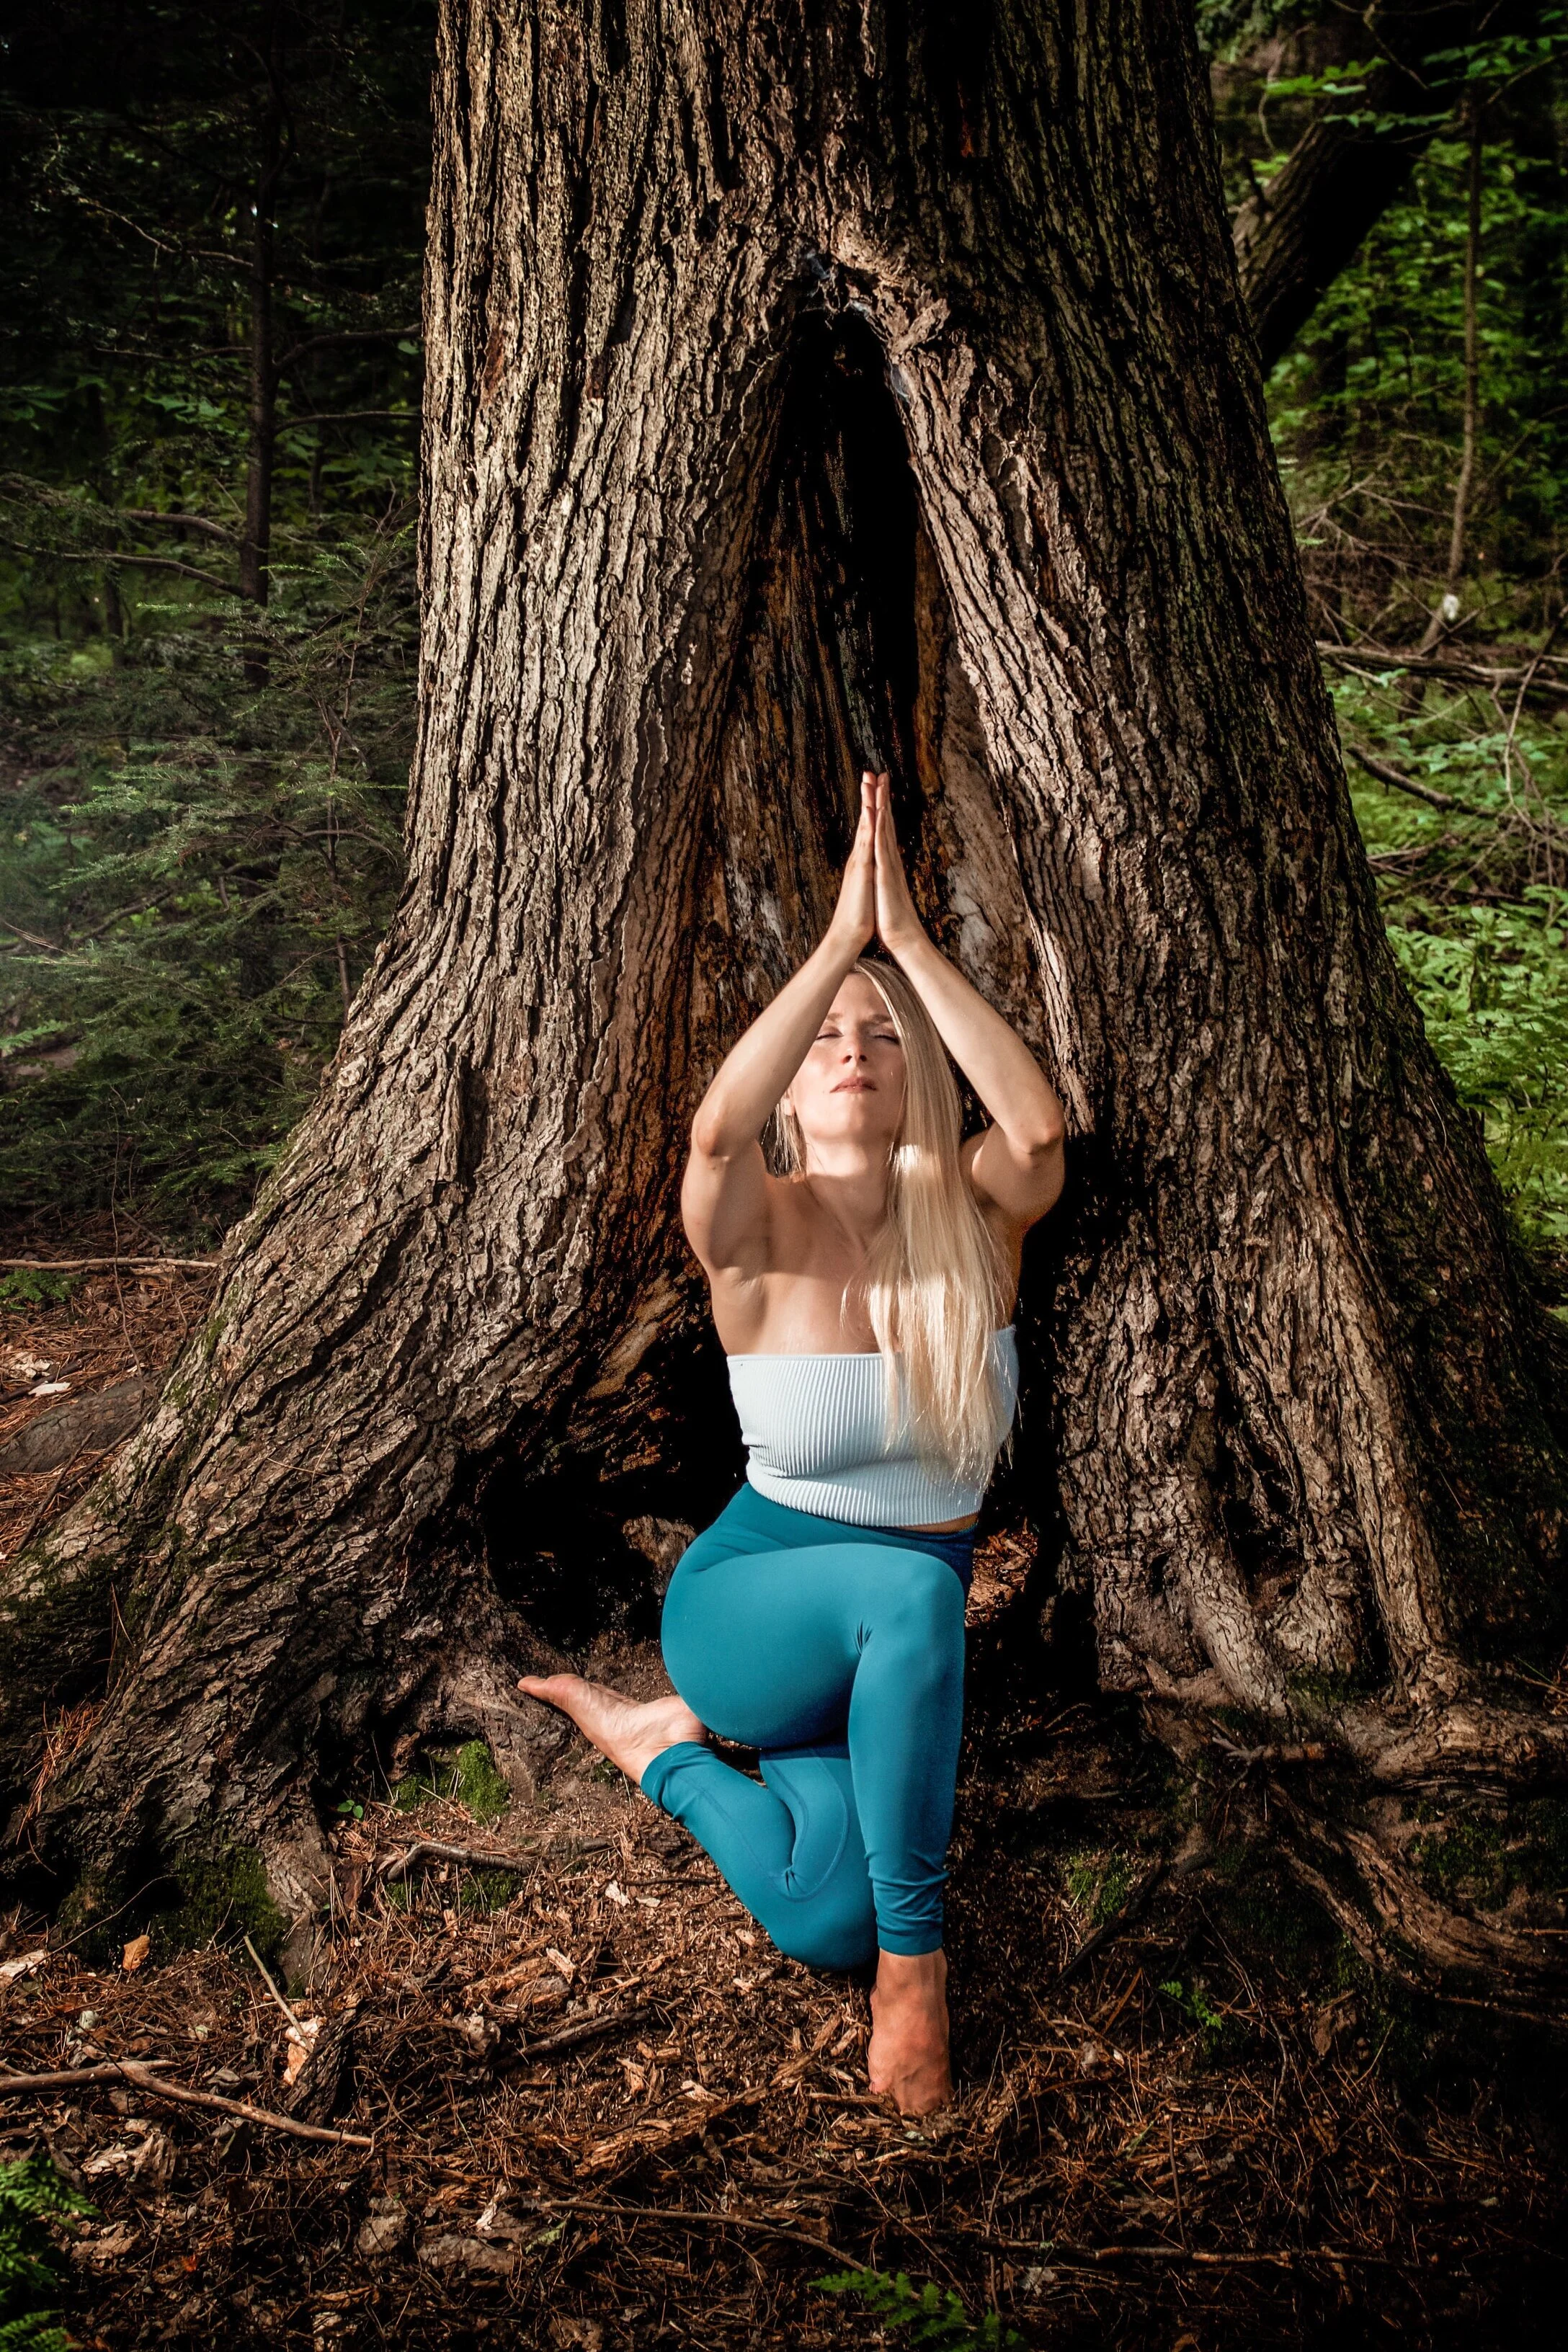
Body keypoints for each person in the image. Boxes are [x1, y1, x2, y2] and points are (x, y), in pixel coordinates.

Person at [520, 769, 1066, 2113]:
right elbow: (711, 1126)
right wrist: (835, 949)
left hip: (884, 1652)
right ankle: (918, 1979)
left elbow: (1041, 1128)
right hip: (753, 1607)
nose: (854, 1048)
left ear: (916, 1069)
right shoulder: (754, 1232)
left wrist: (909, 949)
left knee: (823, 1916)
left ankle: (661, 1752)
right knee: (907, 1593)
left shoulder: (973, 1220)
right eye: (826, 1036)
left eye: (879, 1033)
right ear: (789, 1087)